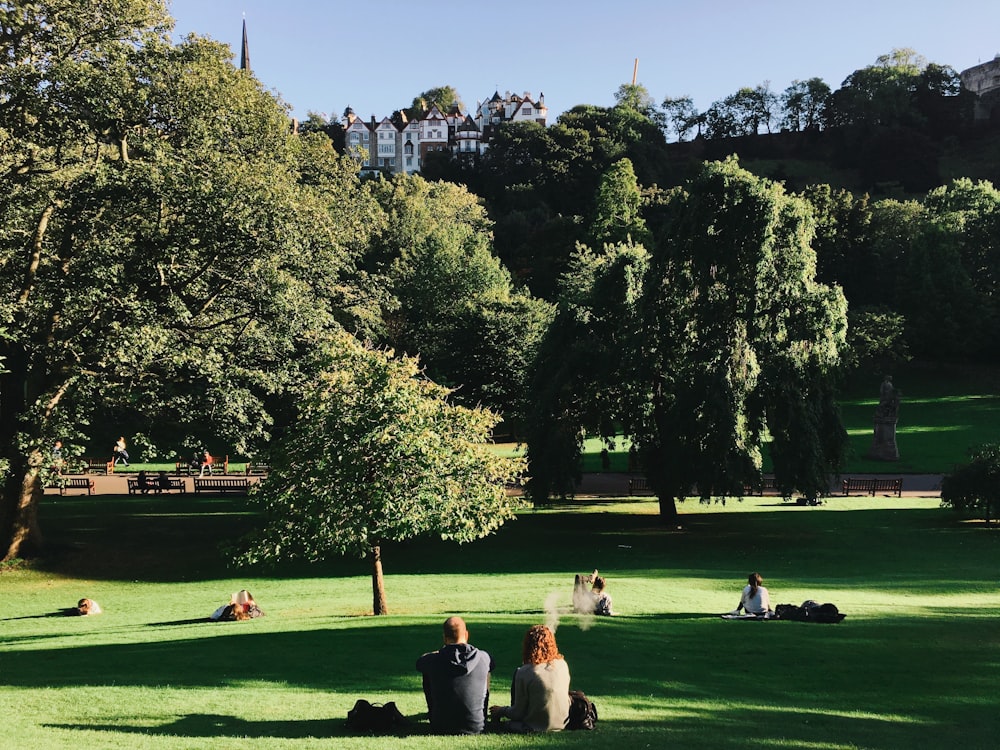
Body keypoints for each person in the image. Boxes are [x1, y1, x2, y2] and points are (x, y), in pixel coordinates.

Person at [416, 616, 494, 734]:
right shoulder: (482, 657)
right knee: (486, 671)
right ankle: (480, 713)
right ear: (466, 635)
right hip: (476, 726)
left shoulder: (433, 660)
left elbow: (420, 663)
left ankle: (435, 712)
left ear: (445, 638)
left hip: (440, 726)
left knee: (427, 671)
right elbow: (492, 664)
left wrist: (437, 653)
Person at [490, 625, 571, 732]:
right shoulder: (562, 665)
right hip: (562, 723)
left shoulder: (525, 672)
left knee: (498, 726)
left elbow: (518, 713)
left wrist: (501, 710)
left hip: (534, 726)